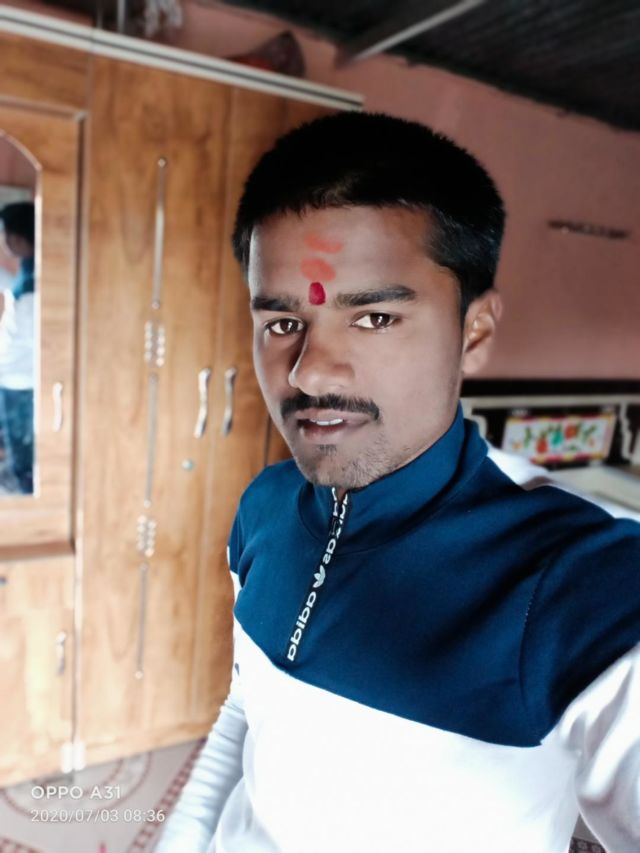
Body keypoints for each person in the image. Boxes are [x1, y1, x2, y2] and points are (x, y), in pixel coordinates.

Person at [157, 112, 640, 853]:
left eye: (375, 317)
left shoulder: (578, 582)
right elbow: (246, 709)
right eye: (282, 322)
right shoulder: (264, 508)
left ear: (474, 332)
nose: (309, 372)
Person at [0, 201, 36, 494]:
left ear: (16, 239)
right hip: (14, 378)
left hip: (20, 382)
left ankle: (24, 489)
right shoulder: (29, 272)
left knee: (23, 456)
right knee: (16, 444)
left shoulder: (32, 289)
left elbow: (30, 334)